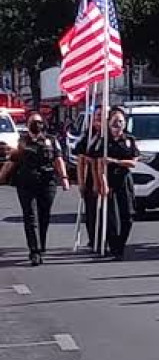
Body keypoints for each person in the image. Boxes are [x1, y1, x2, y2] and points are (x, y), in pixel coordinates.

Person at [1, 112, 69, 264]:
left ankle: (41, 245)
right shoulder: (22, 142)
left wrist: (64, 178)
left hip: (47, 182)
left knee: (44, 215)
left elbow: (58, 159)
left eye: (38, 122)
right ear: (27, 125)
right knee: (30, 216)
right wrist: (2, 176)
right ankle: (34, 251)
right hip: (26, 183)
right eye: (33, 122)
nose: (36, 124)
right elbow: (12, 161)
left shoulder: (51, 141)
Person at [90, 108, 139, 261]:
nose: (117, 126)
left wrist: (115, 161)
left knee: (128, 216)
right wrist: (102, 182)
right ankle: (115, 248)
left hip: (124, 180)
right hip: (109, 180)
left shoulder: (129, 140)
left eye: (120, 122)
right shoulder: (103, 141)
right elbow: (98, 162)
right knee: (112, 217)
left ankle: (121, 243)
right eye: (114, 123)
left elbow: (133, 163)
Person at [73, 107, 103, 251]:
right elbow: (81, 159)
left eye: (104, 115)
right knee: (91, 211)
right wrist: (81, 182)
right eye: (98, 115)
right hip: (91, 178)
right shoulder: (89, 136)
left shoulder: (112, 135)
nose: (100, 118)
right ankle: (94, 239)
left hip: (110, 178)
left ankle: (108, 238)